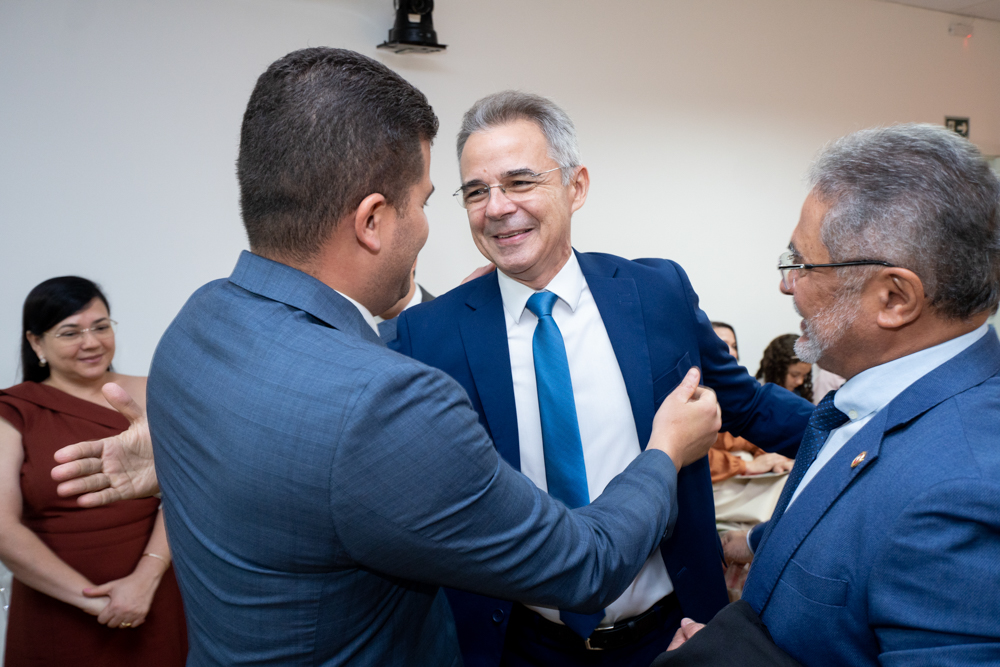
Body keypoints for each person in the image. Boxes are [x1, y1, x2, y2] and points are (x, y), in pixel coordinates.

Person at [51, 48, 723, 666]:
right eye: (428, 201)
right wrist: (665, 448)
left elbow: (285, 446)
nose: (435, 225)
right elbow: (585, 563)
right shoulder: (386, 401)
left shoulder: (201, 321)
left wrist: (180, 448)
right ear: (372, 221)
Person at [383, 91, 814, 667]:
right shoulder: (428, 334)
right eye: (477, 191)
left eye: (519, 181)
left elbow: (752, 408)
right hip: (516, 643)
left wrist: (863, 433)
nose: (497, 207)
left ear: (576, 186)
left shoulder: (656, 294)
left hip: (673, 635)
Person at [665, 123, 1000, 665]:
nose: (785, 283)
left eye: (801, 263)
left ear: (894, 297)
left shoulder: (963, 493)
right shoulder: (887, 397)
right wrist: (757, 545)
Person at [0, 277, 187, 666]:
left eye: (101, 326)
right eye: (70, 332)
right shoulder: (14, 410)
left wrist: (143, 581)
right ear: (36, 343)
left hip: (154, 592)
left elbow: (189, 492)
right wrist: (93, 599)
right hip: (54, 606)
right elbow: (3, 526)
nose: (91, 342)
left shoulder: (154, 392)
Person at [755, 334, 812, 399]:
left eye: (805, 375)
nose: (800, 381)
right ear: (777, 370)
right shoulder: (756, 396)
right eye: (794, 375)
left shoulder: (799, 394)